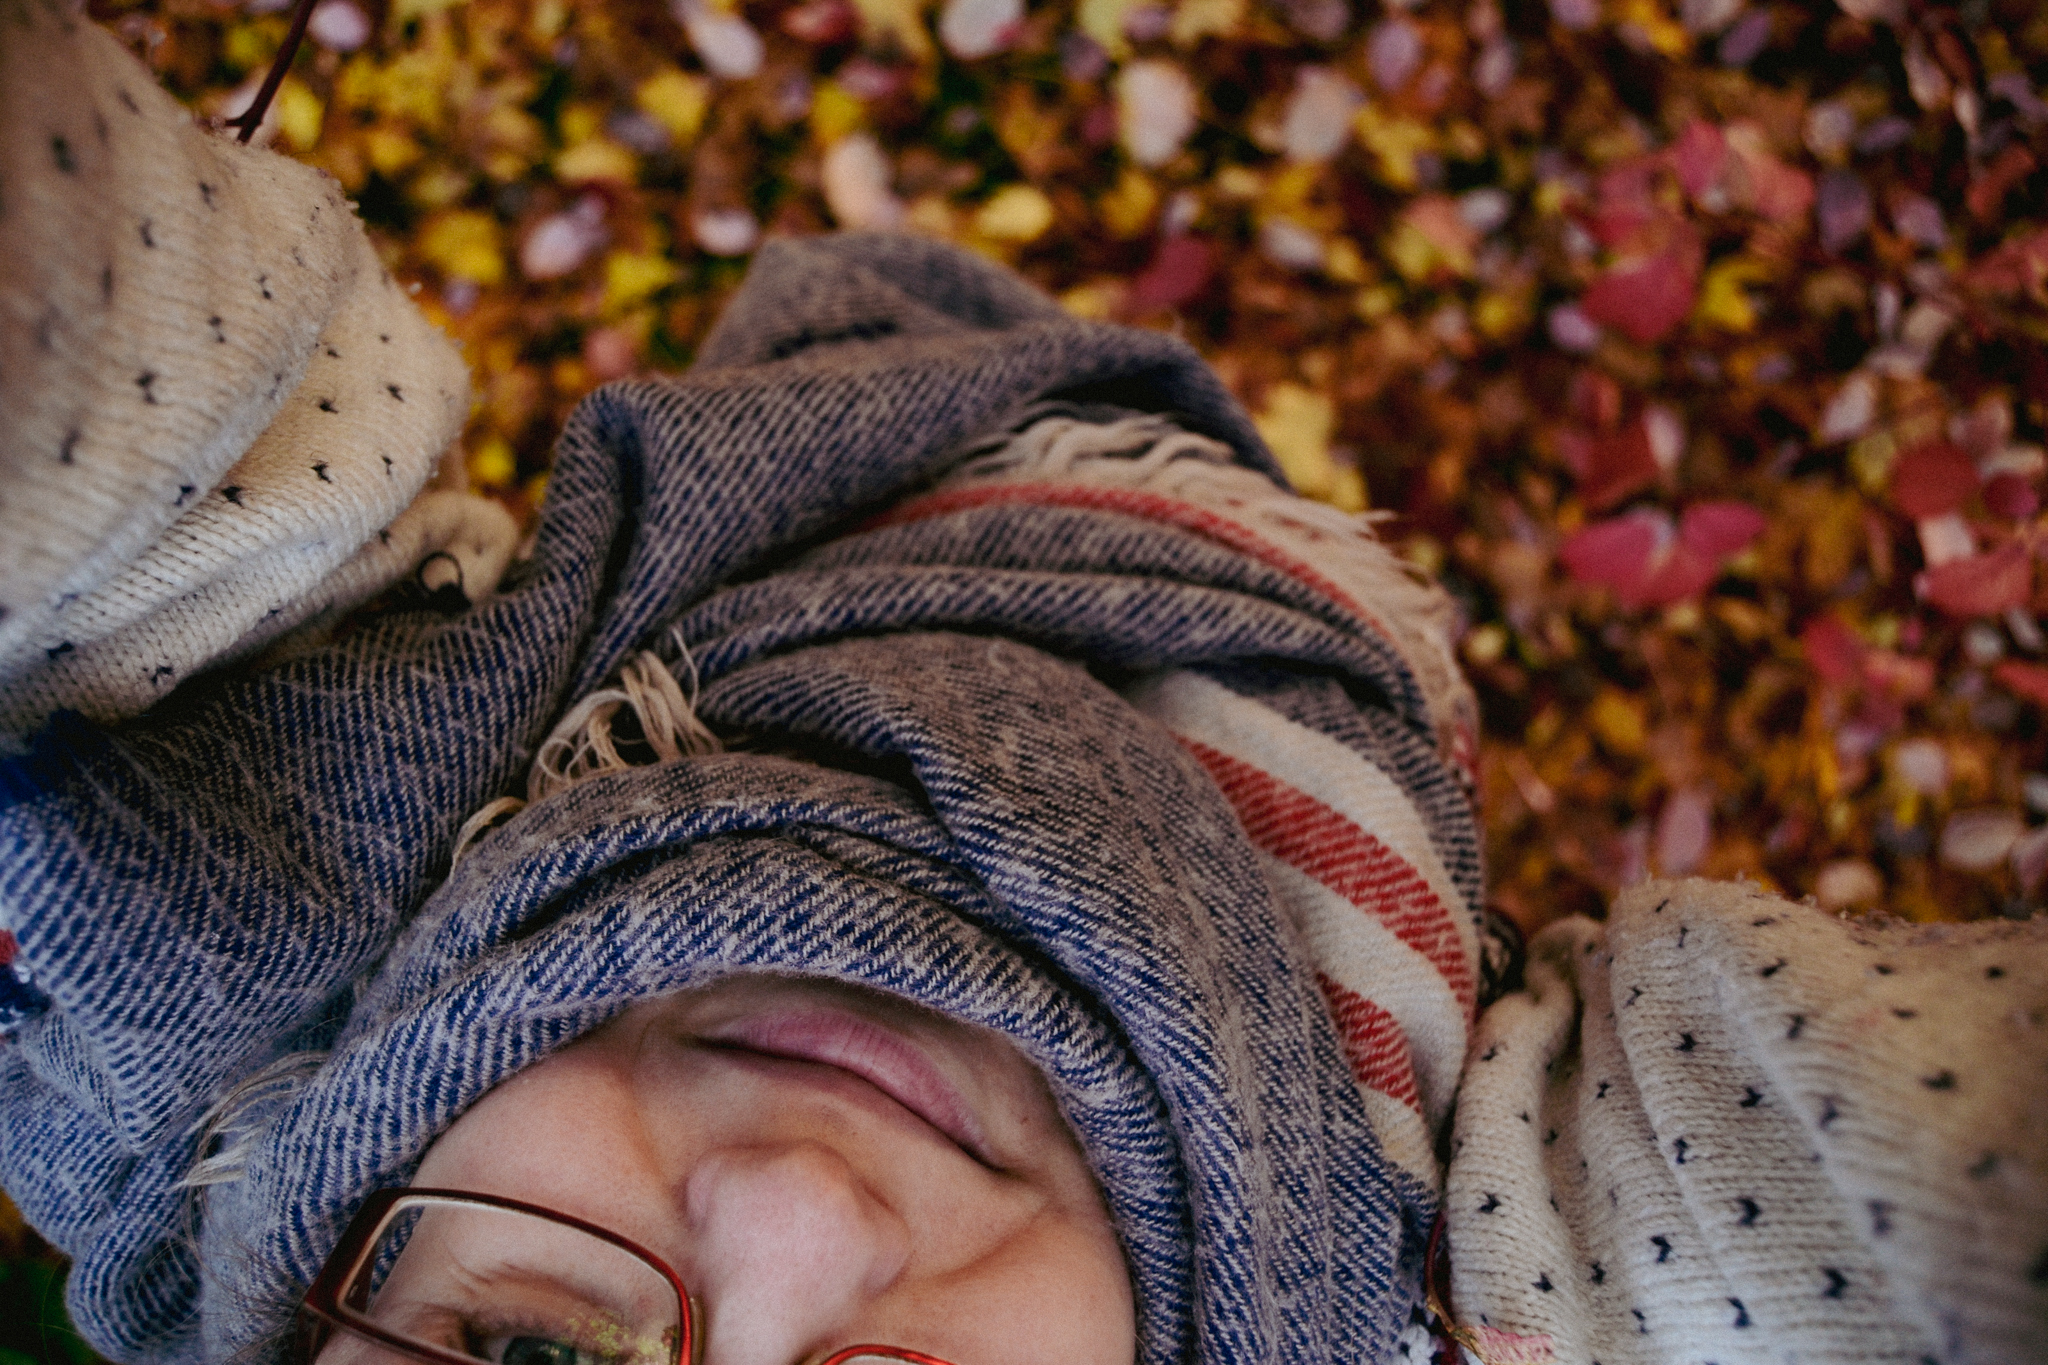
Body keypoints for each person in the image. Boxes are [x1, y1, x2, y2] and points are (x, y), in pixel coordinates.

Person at [2, 7, 2043, 1365]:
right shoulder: (1459, 1293)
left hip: (920, 499)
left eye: (535, 1360)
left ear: (332, 1256)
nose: (797, 1188)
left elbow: (117, 392)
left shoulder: (238, 943)